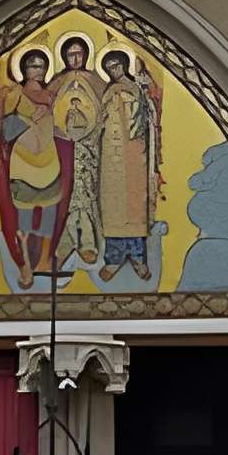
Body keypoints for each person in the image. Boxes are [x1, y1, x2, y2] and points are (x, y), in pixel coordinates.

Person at [0, 47, 69, 290]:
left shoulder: (52, 96)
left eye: (41, 66)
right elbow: (3, 128)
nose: (38, 70)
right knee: (23, 217)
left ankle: (45, 260)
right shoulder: (15, 94)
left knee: (49, 212)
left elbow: (63, 126)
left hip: (49, 161)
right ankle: (25, 264)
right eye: (33, 66)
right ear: (23, 69)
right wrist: (28, 119)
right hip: (23, 162)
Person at [96, 47, 162, 282]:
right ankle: (113, 259)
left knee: (135, 203)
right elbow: (98, 120)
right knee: (113, 206)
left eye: (116, 65)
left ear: (124, 65)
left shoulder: (137, 89)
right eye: (109, 68)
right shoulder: (108, 92)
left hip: (134, 153)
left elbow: (149, 117)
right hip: (111, 157)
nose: (114, 71)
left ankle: (138, 257)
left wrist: (141, 95)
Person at [49, 34, 105, 267]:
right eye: (70, 54)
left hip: (89, 145)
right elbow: (47, 111)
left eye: (78, 53)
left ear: (86, 55)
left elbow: (103, 111)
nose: (75, 58)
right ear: (63, 56)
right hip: (62, 145)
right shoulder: (56, 82)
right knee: (67, 193)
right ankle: (66, 242)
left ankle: (86, 242)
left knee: (86, 193)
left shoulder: (95, 81)